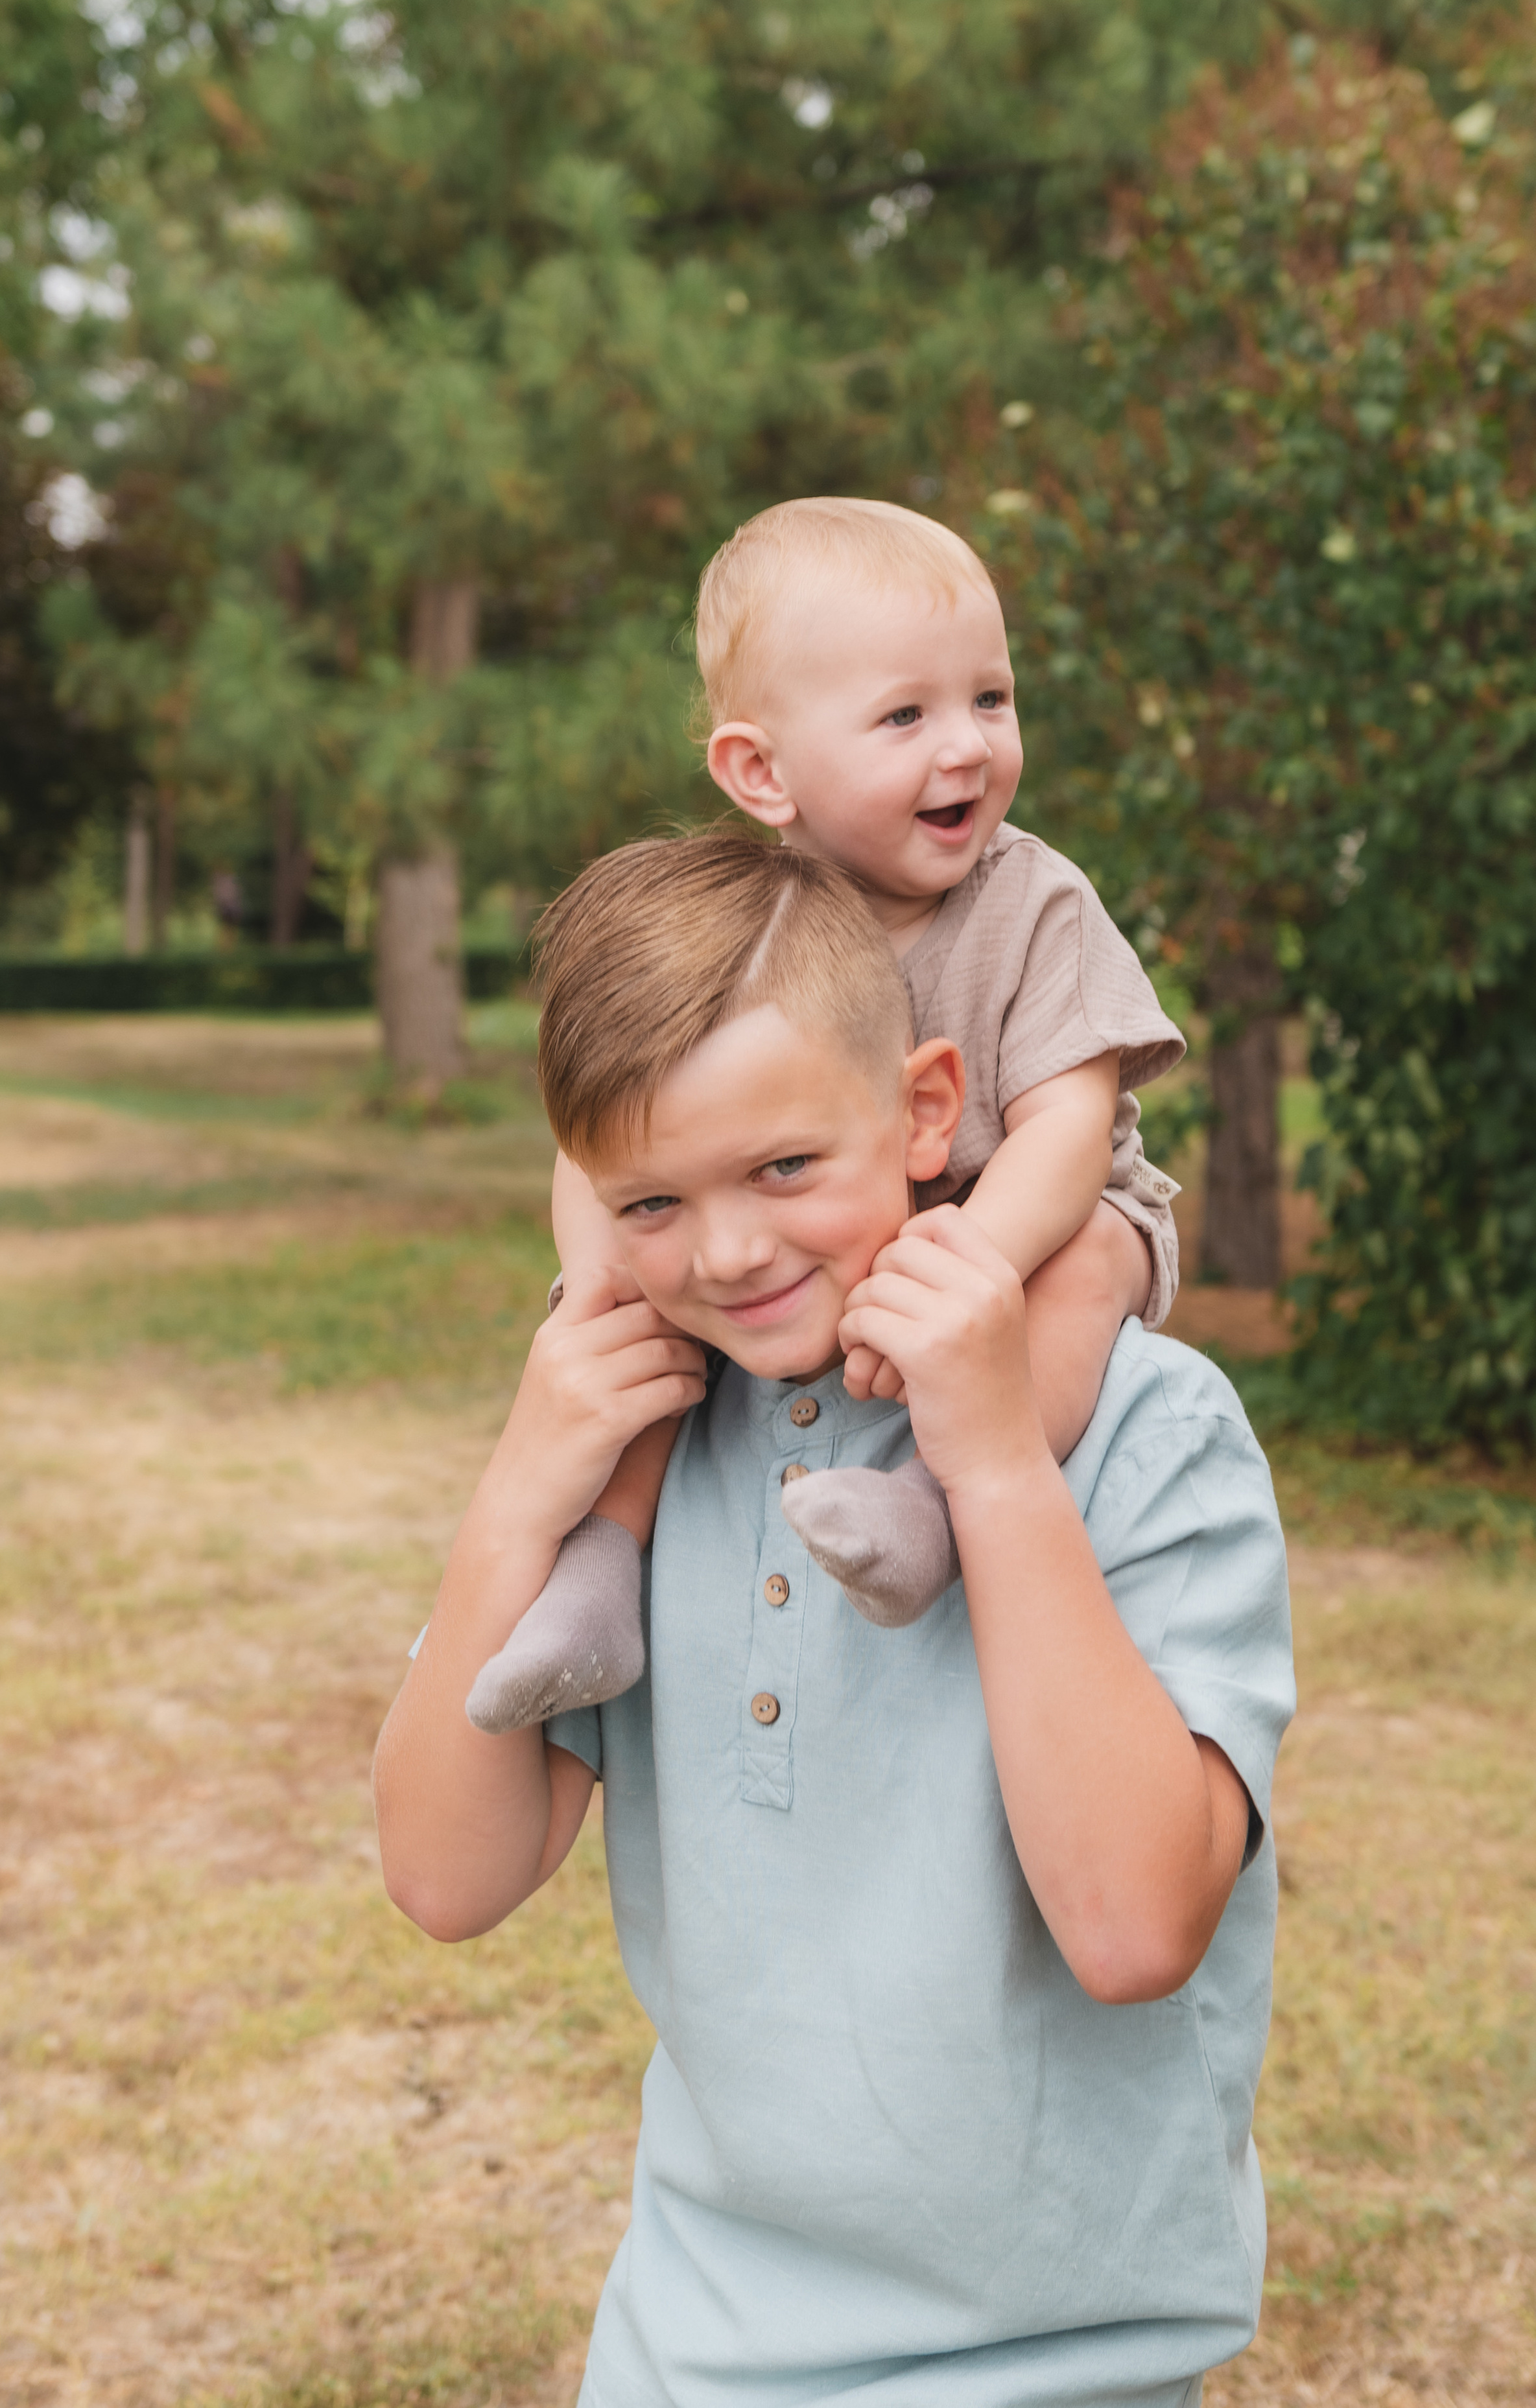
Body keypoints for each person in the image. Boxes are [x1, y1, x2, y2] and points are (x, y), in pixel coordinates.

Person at [374, 832, 1295, 2408]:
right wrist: (519, 1494)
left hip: (1054, 2365)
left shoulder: (1146, 1431)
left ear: (928, 1109)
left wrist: (994, 1464)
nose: (726, 1254)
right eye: (650, 1201)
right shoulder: (649, 1463)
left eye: (783, 1169)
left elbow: (1136, 1929)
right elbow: (446, 1881)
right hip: (690, 2346)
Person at [467, 498, 1185, 1736]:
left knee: (1083, 1276)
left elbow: (1070, 1126)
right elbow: (605, 1135)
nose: (965, 748)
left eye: (992, 700)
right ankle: (598, 1576)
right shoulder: (735, 928)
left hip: (1026, 1214)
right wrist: (602, 1290)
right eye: (906, 715)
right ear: (762, 770)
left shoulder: (1035, 900)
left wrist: (960, 1268)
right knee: (656, 1332)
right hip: (802, 1222)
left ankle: (929, 1507)